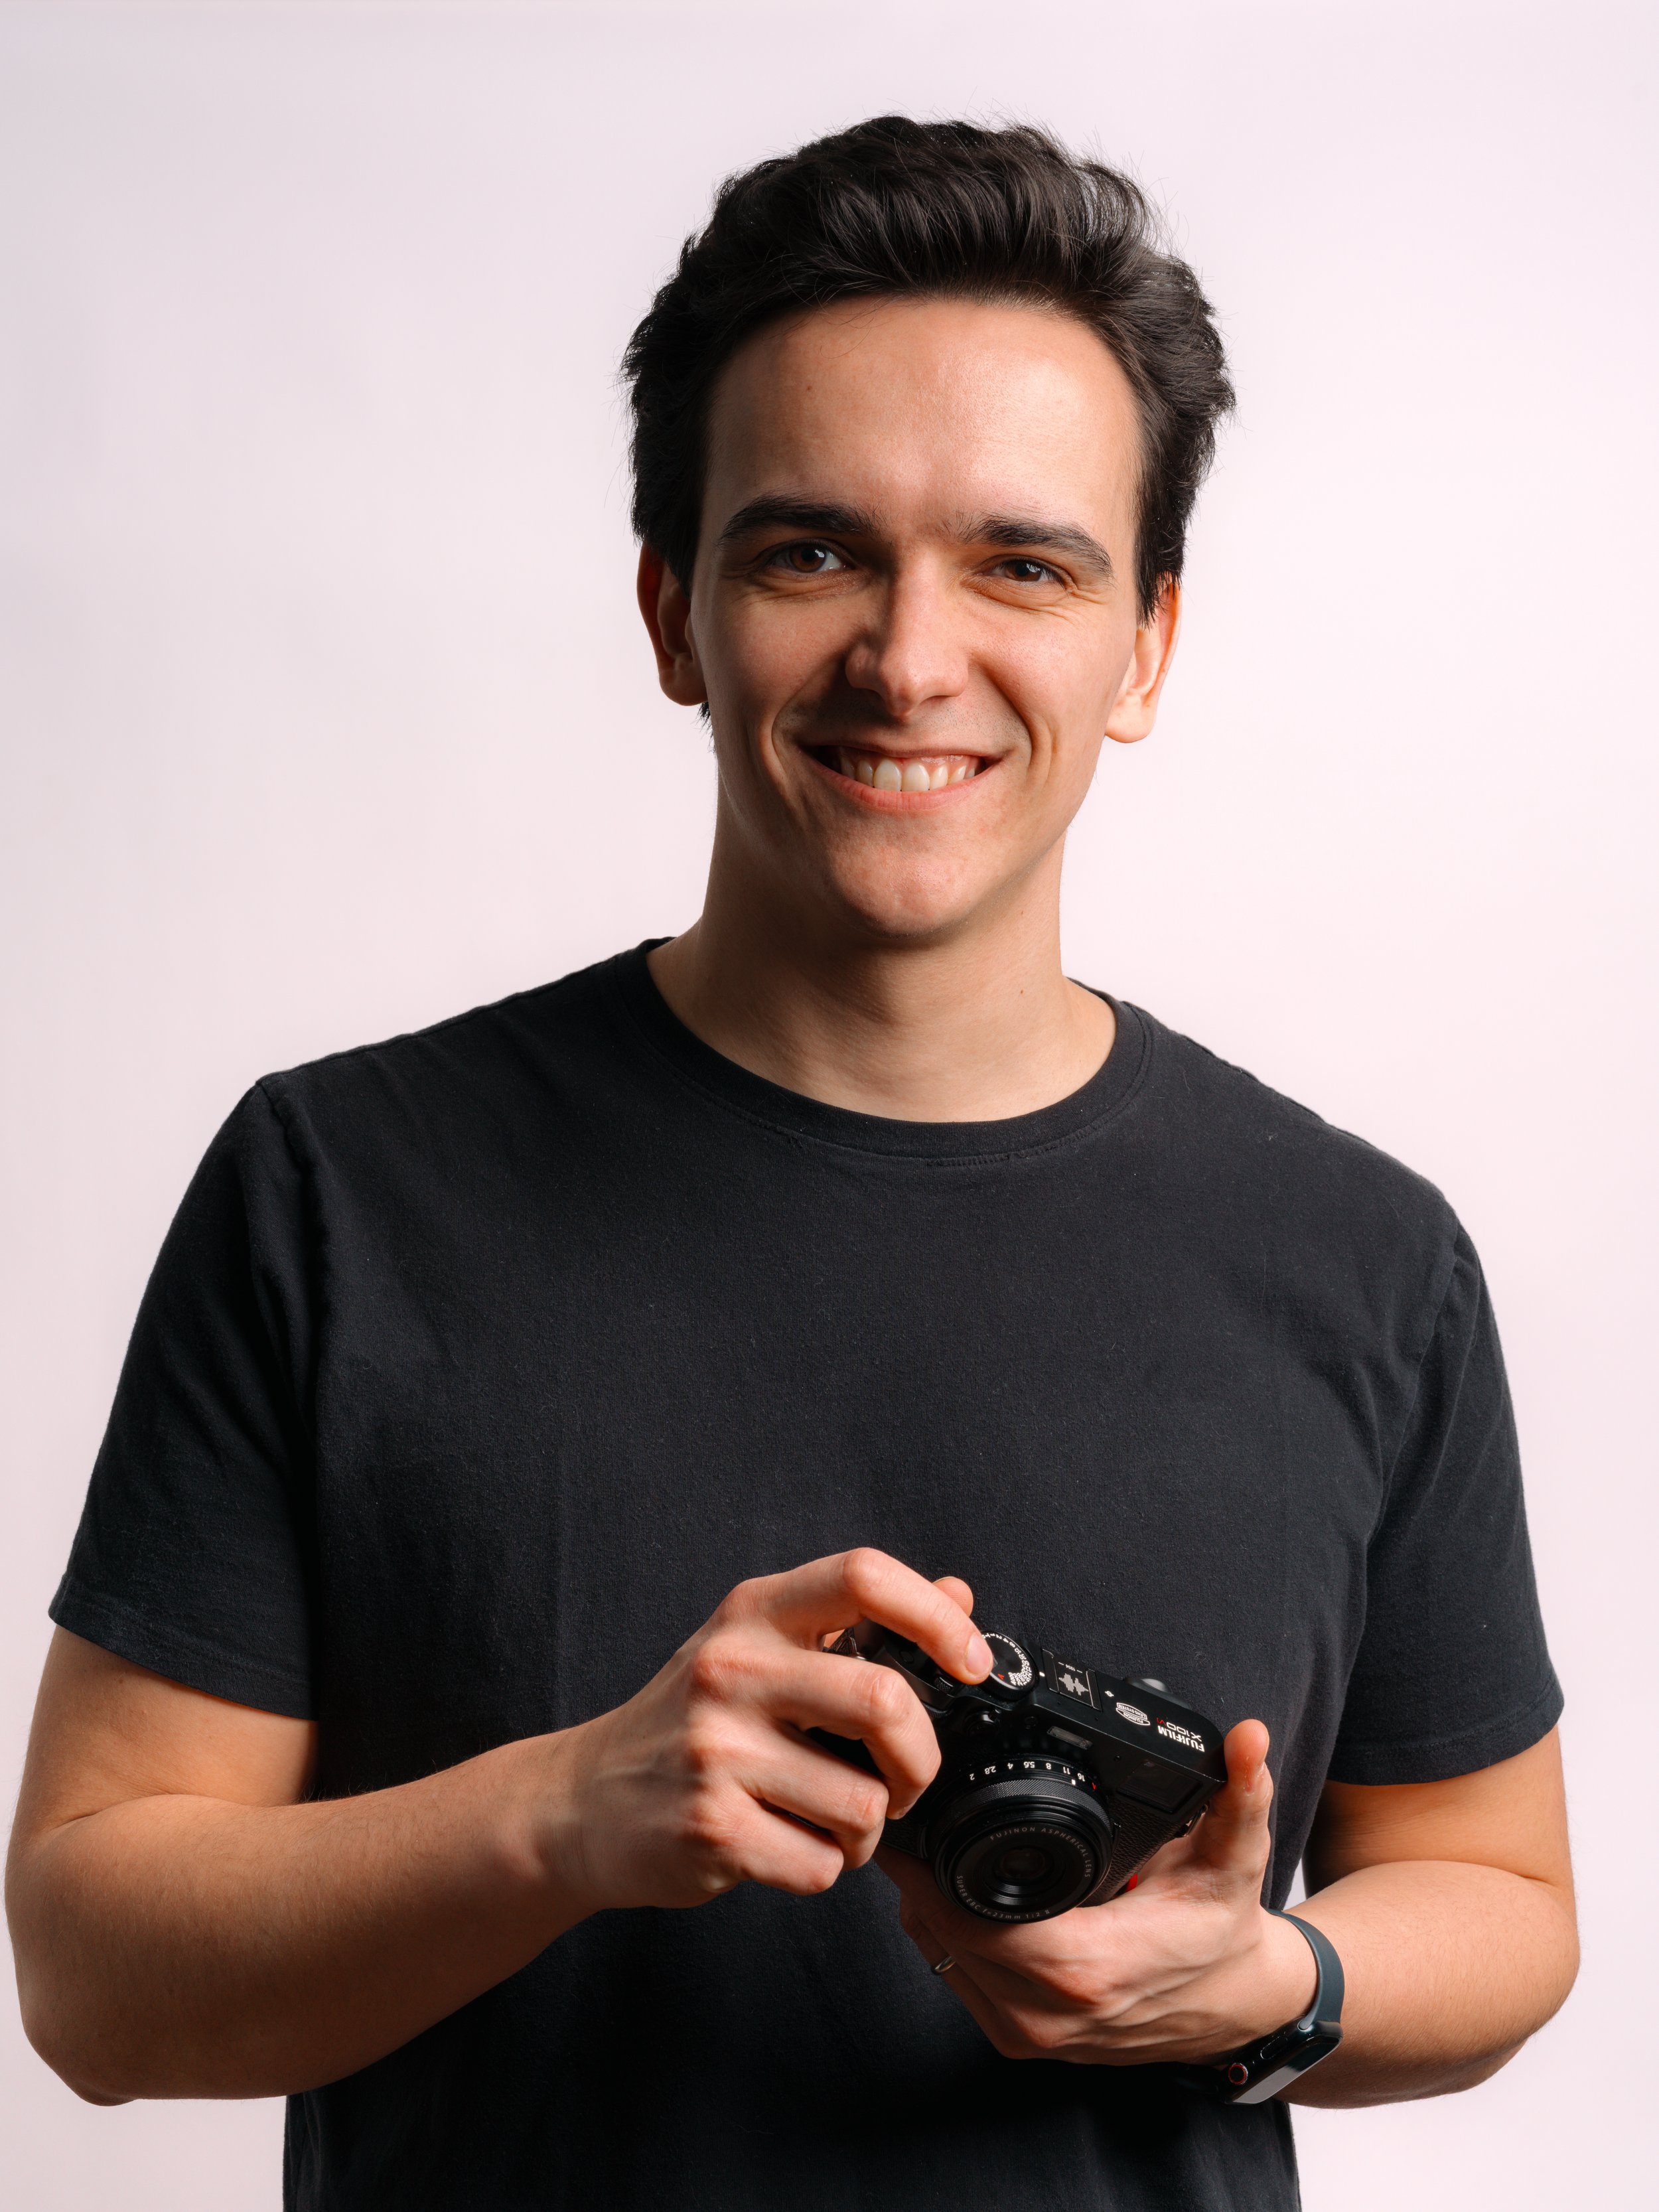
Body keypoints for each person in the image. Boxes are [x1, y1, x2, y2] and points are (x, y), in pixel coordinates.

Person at [6, 117, 1575, 2212]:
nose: (911, 660)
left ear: (1146, 649)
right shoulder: (339, 1188)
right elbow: (97, 1981)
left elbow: (1493, 1893)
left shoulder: (1361, 1257)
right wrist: (562, 1816)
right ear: (673, 611)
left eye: (1022, 563)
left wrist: (1263, 1981)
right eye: (810, 550)